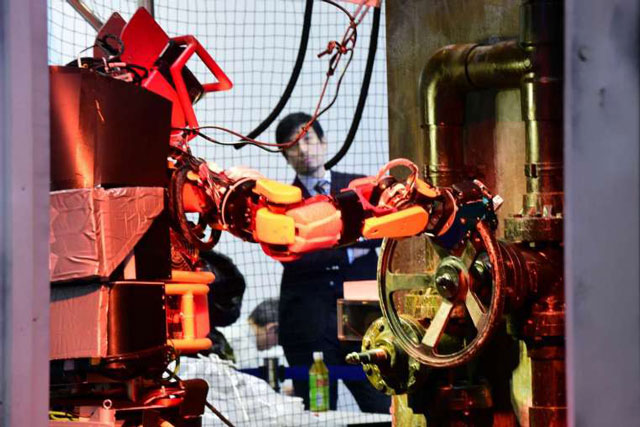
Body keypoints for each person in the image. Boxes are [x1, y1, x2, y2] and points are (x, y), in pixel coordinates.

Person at [275, 112, 390, 413]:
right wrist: (352, 246)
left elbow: (383, 233)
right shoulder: (282, 203)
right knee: (318, 410)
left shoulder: (356, 188)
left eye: (308, 140)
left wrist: (321, 244)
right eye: (292, 146)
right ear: (285, 156)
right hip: (308, 323)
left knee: (380, 401)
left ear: (324, 143)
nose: (303, 150)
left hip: (362, 316)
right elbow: (293, 254)